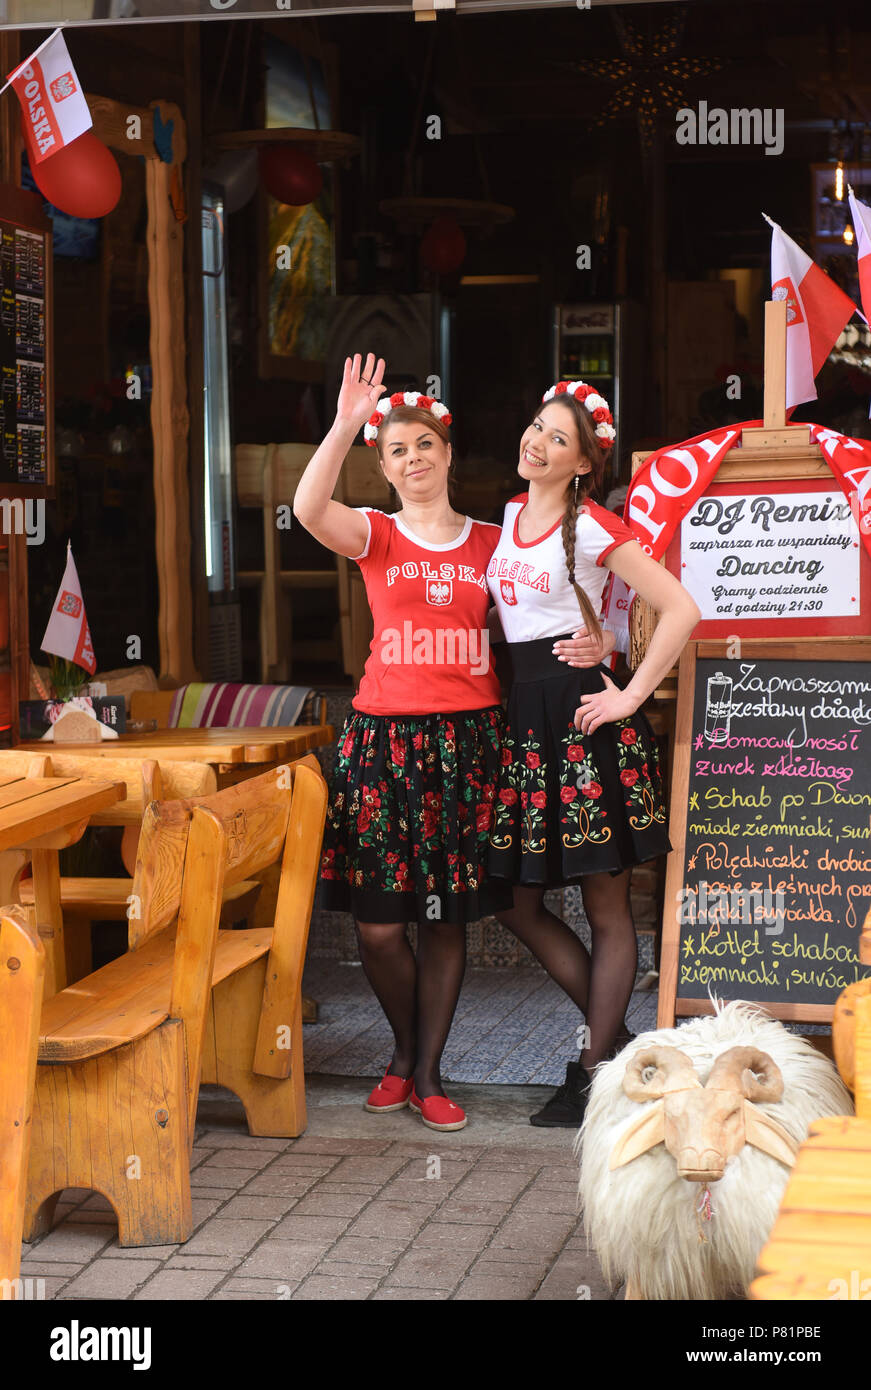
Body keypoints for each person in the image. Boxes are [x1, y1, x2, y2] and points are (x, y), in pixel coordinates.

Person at [293, 355, 610, 1132]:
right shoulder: (374, 534)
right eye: (396, 451)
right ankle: (403, 1053)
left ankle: (426, 1073)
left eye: (424, 445)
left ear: (447, 453)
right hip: (381, 744)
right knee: (377, 926)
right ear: (384, 467)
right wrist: (344, 423)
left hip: (468, 744)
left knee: (442, 920)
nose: (413, 459)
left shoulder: (492, 543)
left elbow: (550, 603)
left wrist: (602, 639)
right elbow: (306, 508)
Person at [487, 379, 701, 1127]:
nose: (536, 442)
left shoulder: (592, 526)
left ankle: (590, 1070)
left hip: (584, 721)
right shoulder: (509, 515)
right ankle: (618, 1047)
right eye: (536, 426)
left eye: (557, 438)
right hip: (526, 721)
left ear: (581, 463)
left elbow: (680, 608)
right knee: (515, 902)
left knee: (604, 906)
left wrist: (630, 694)